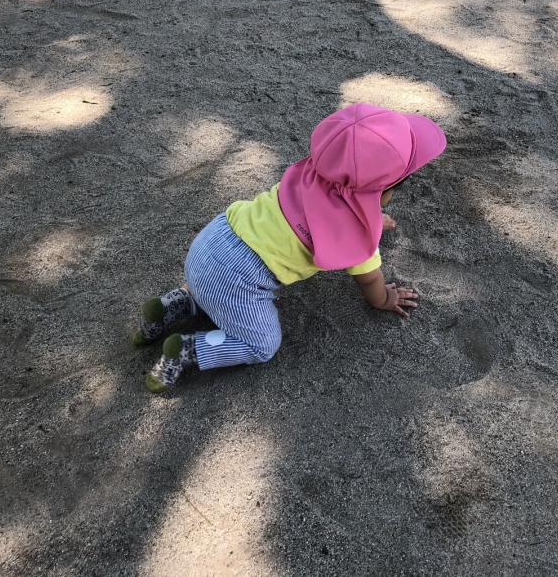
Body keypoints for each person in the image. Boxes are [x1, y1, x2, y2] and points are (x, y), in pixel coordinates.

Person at [133, 103, 447, 392]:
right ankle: (187, 349)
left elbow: (347, 201)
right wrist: (385, 298)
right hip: (236, 281)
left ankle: (169, 307)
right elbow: (369, 280)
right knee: (262, 345)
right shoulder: (359, 235)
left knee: (208, 290)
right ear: (383, 192)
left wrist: (374, 213)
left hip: (211, 240)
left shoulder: (311, 174)